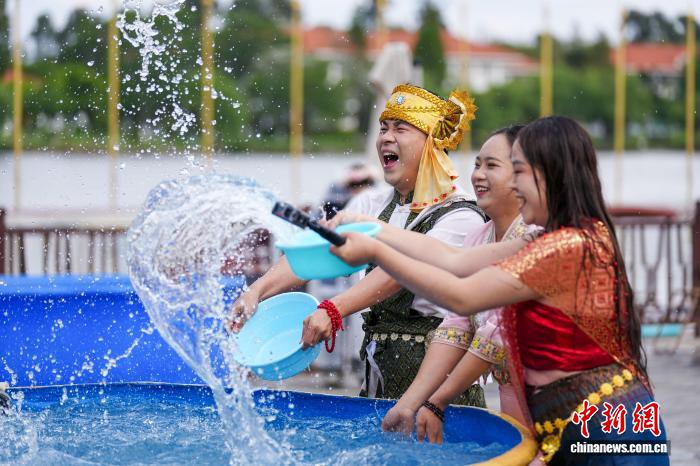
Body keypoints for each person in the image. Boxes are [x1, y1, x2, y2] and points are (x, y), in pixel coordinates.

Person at [330, 116, 669, 465]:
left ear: (551, 174)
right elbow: (454, 260)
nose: (514, 186)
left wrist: (376, 252)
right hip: (575, 421)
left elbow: (462, 296)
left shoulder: (566, 248)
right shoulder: (555, 238)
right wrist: (372, 228)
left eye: (517, 171)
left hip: (604, 427)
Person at [229, 84, 488, 403]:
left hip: (441, 388)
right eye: (383, 128)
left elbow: (400, 273)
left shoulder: (462, 214)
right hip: (378, 377)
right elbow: (314, 255)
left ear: (433, 142)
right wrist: (256, 292)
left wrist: (334, 309)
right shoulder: (371, 203)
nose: (386, 138)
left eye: (400, 129)